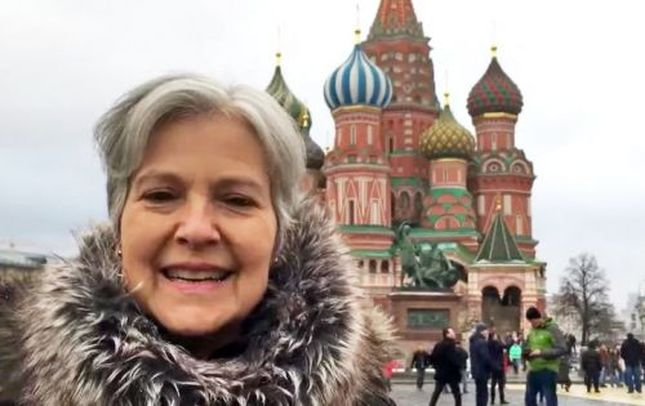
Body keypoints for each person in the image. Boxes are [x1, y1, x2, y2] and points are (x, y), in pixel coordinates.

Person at [0, 75, 397, 405]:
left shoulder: (361, 393)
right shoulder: (12, 372)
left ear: (278, 237)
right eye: (161, 195)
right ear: (119, 226)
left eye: (237, 200)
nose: (196, 230)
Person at [523, 306, 567, 406]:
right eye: (530, 322)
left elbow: (562, 349)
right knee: (529, 399)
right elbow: (528, 345)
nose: (532, 324)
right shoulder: (532, 330)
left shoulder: (552, 329)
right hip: (533, 369)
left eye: (533, 321)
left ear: (539, 318)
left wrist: (541, 352)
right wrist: (526, 353)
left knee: (549, 398)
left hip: (548, 369)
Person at [428, 327, 463, 406]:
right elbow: (453, 359)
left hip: (441, 372)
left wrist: (437, 367)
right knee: (457, 393)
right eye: (452, 332)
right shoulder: (451, 345)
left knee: (437, 392)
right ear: (447, 334)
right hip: (451, 373)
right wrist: (459, 365)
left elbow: (433, 358)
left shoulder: (438, 344)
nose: (454, 333)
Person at [470, 323, 498, 406]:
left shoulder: (473, 341)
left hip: (476, 371)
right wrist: (495, 367)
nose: (487, 332)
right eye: (486, 330)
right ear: (482, 331)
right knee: (483, 394)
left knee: (479, 393)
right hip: (482, 371)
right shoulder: (482, 342)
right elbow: (485, 357)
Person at [488, 332, 509, 404]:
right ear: (493, 337)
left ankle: (492, 400)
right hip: (499, 366)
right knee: (500, 384)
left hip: (492, 367)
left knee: (493, 384)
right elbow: (506, 346)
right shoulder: (498, 343)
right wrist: (502, 340)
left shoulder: (488, 344)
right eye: (496, 336)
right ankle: (502, 399)